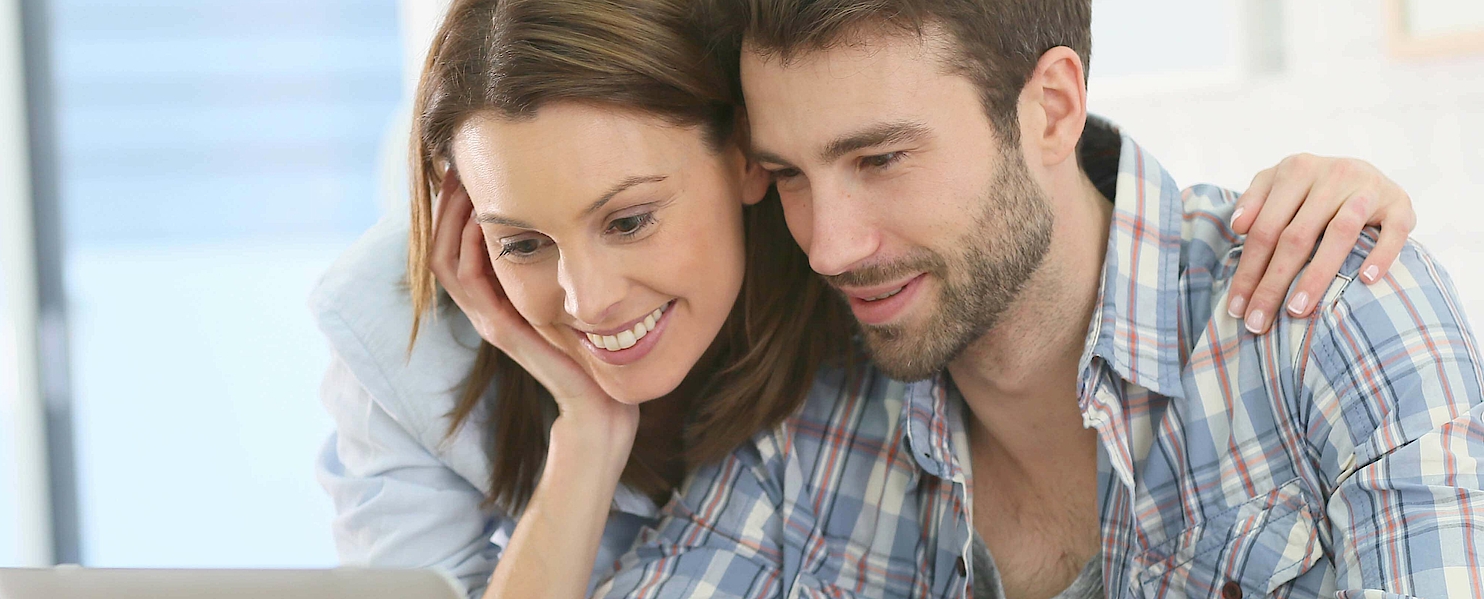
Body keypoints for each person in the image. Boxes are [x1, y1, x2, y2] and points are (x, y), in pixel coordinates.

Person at [311, 0, 1425, 597]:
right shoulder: (819, 410)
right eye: (794, 174)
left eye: (879, 160)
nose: (834, 243)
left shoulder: (1318, 312)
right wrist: (587, 431)